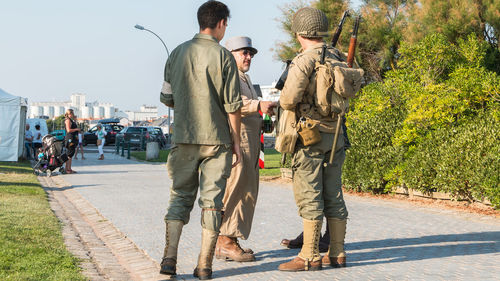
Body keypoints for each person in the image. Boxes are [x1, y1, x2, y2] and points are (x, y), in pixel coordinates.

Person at [158, 1, 242, 280]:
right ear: (220, 23)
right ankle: (204, 265)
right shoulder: (224, 57)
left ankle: (169, 259)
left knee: (179, 197)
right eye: (226, 24)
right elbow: (233, 106)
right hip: (217, 141)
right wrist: (237, 144)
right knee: (211, 202)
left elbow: (166, 98)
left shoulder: (176, 53)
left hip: (183, 137)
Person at [277, 7, 360, 271]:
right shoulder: (341, 59)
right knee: (334, 194)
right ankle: (337, 252)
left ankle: (309, 255)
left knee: (310, 194)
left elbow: (288, 99)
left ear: (299, 32)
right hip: (336, 135)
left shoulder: (304, 60)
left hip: (309, 137)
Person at [214, 36, 276, 262]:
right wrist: (258, 105)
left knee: (247, 192)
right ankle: (224, 241)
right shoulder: (226, 75)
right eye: (244, 53)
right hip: (237, 142)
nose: (249, 57)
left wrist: (266, 116)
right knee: (235, 190)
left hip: (251, 142)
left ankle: (231, 237)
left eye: (251, 53)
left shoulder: (244, 78)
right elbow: (232, 103)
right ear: (231, 54)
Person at [64, 109, 80, 174]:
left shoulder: (71, 120)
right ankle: (67, 169)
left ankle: (69, 168)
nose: (73, 115)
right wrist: (76, 129)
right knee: (69, 154)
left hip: (73, 138)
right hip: (70, 139)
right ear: (68, 114)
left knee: (71, 154)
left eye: (73, 113)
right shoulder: (67, 120)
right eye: (72, 114)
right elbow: (68, 130)